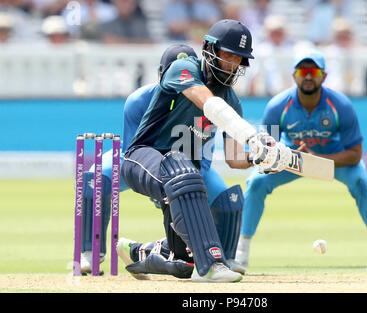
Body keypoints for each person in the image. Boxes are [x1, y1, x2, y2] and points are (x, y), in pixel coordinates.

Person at [119, 19, 292, 283]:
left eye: (239, 59)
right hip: (142, 157)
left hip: (181, 180)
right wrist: (252, 135)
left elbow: (235, 159)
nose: (233, 64)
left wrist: (259, 157)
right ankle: (211, 266)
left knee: (183, 262)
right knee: (185, 172)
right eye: (228, 55)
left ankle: (137, 252)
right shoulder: (184, 68)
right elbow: (207, 101)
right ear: (210, 49)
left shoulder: (231, 98)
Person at [78, 43, 247, 277]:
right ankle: (89, 253)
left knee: (228, 201)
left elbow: (203, 154)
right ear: (162, 74)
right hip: (138, 160)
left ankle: (220, 258)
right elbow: (134, 151)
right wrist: (163, 191)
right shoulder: (139, 99)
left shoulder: (206, 98)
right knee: (95, 180)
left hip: (187, 165)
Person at [235, 49, 367, 270]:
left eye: (313, 71)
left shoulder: (340, 105)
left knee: (362, 183)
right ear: (294, 75)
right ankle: (241, 251)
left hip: (331, 158)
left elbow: (355, 154)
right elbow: (267, 150)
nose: (307, 76)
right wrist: (288, 157)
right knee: (256, 183)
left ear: (323, 76)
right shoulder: (277, 106)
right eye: (302, 71)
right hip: (290, 159)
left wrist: (318, 160)